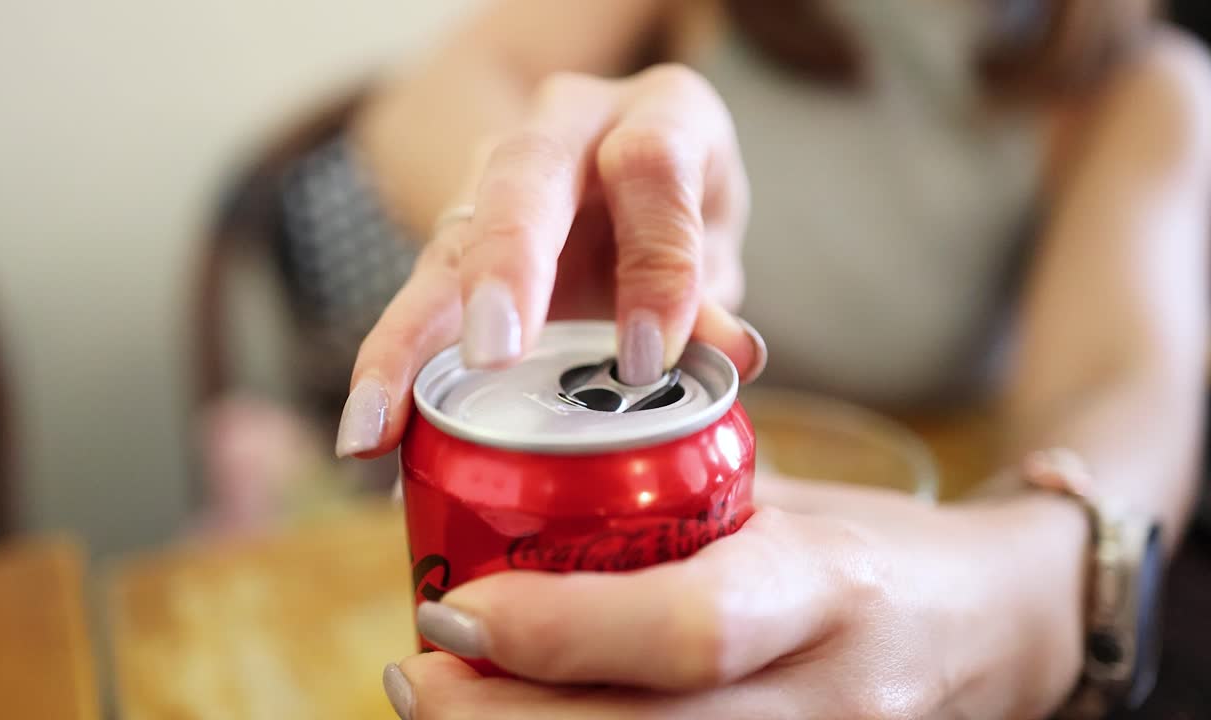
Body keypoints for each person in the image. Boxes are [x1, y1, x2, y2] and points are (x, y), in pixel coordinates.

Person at [289, 1, 1211, 717]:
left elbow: (1120, 388)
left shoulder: (1147, 89)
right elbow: (427, 99)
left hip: (909, 532)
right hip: (610, 510)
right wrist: (532, 210)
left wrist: (1023, 602)